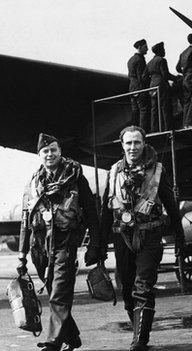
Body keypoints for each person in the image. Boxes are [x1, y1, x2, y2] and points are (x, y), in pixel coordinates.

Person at [100, 126, 185, 351]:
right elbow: (106, 210)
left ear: (144, 144)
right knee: (127, 288)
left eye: (137, 142)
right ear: (122, 146)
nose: (132, 147)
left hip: (150, 234)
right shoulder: (114, 171)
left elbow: (171, 205)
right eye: (128, 143)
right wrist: (98, 245)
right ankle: (138, 329)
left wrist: (180, 238)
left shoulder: (157, 170)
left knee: (143, 286)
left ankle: (140, 340)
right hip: (122, 236)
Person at [17, 133, 103, 351]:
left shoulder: (75, 178)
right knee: (57, 292)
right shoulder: (33, 183)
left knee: (59, 292)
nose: (50, 154)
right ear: (39, 155)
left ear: (60, 152)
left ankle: (53, 342)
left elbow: (92, 213)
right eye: (45, 151)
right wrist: (21, 254)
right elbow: (26, 221)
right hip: (40, 247)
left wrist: (95, 245)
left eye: (53, 150)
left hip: (65, 243)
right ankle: (72, 338)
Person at [147, 42, 177, 132]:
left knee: (155, 109)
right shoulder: (162, 60)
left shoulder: (149, 63)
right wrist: (176, 78)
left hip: (152, 87)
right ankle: (168, 128)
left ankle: (154, 129)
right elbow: (165, 75)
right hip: (161, 86)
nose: (164, 51)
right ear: (160, 51)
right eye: (163, 50)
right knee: (165, 107)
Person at [128, 39, 150, 131]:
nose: (147, 49)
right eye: (145, 47)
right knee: (143, 110)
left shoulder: (131, 60)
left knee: (135, 111)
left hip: (132, 89)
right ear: (140, 47)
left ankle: (134, 131)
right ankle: (142, 131)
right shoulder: (140, 59)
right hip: (140, 88)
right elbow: (142, 77)